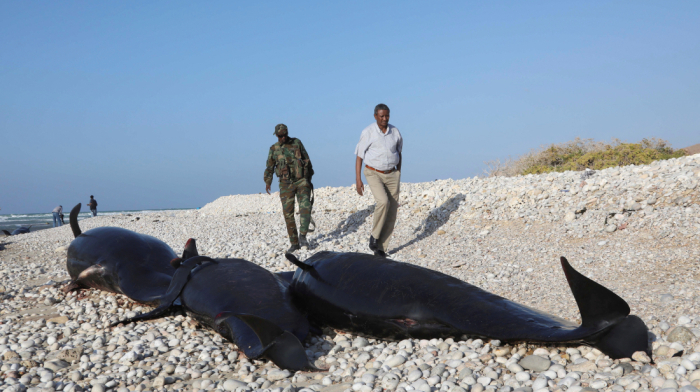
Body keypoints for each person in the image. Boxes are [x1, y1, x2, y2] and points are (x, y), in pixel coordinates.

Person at [354, 103, 403, 257]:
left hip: (392, 174)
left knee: (392, 210)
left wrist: (398, 172)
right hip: (373, 172)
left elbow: (399, 152)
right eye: (381, 116)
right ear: (375, 116)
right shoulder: (368, 132)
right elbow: (359, 156)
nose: (384, 119)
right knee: (383, 202)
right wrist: (358, 180)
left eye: (386, 115)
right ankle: (374, 237)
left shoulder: (395, 132)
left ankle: (380, 248)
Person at [264, 124, 314, 253]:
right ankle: (294, 243)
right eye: (280, 136)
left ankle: (303, 236)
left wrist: (309, 177)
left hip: (301, 181)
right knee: (288, 214)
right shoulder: (274, 149)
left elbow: (307, 159)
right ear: (276, 135)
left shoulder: (297, 143)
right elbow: (269, 167)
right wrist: (268, 182)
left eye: (285, 135)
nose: (283, 138)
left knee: (306, 207)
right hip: (285, 184)